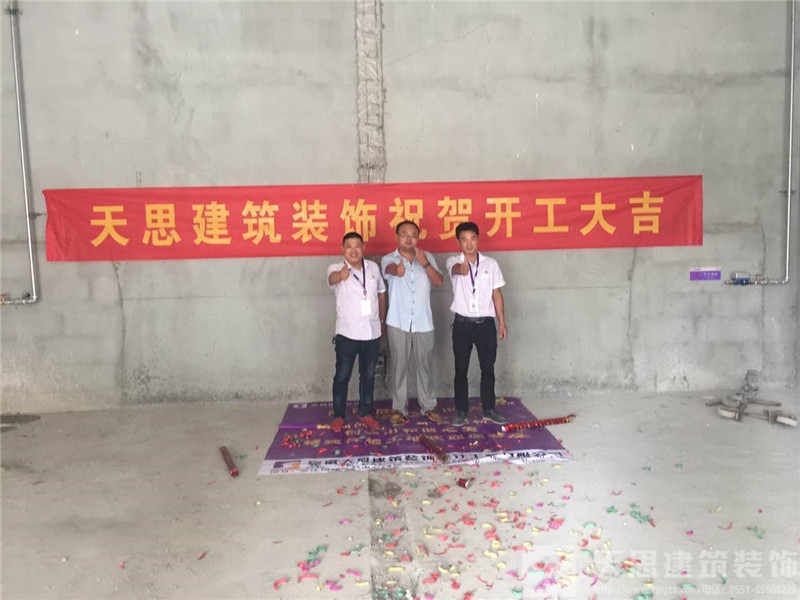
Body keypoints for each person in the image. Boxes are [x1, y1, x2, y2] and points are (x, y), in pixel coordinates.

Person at [445, 221, 508, 426]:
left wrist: (501, 322)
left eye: (473, 239)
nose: (469, 244)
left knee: (488, 368)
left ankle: (489, 409)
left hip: (486, 324)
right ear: (458, 242)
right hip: (462, 325)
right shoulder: (452, 261)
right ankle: (461, 411)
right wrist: (463, 268)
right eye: (464, 240)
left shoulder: (491, 264)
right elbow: (456, 270)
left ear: (478, 239)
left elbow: (497, 294)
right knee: (460, 369)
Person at [381, 220, 444, 425]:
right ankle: (399, 409)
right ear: (396, 237)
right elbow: (389, 269)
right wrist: (397, 270)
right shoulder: (388, 258)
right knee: (399, 367)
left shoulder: (427, 257)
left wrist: (425, 263)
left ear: (418, 237)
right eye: (404, 234)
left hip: (423, 321)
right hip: (398, 321)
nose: (409, 238)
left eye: (413, 235)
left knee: (424, 366)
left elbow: (439, 282)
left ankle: (428, 407)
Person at [326, 231, 387, 433]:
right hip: (347, 334)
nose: (354, 251)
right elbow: (331, 279)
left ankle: (366, 412)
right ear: (342, 249)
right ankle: (339, 415)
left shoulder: (373, 268)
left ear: (363, 248)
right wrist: (341, 276)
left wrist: (382, 319)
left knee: (368, 375)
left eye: (357, 246)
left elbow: (381, 292)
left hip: (371, 332)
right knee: (342, 376)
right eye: (349, 247)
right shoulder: (336, 268)